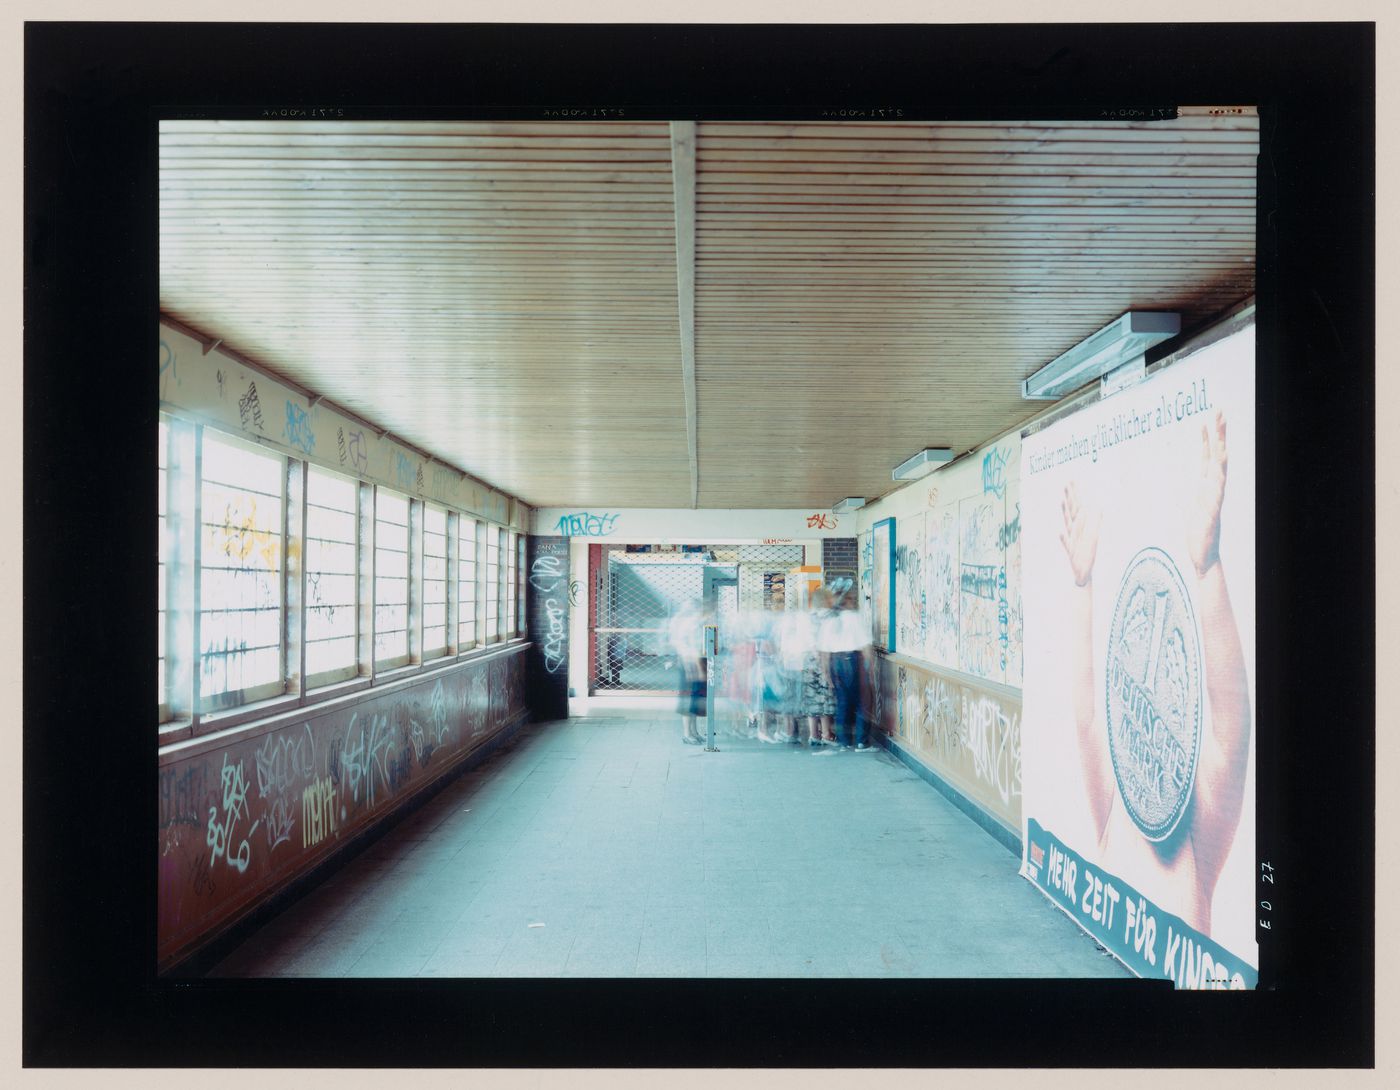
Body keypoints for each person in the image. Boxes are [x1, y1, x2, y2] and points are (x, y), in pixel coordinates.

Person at [1058, 411, 1250, 937]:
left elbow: (1232, 725)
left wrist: (1208, 569)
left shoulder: (1196, 836)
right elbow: (1085, 716)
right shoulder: (1117, 808)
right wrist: (1082, 588)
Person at [818, 586, 875, 753]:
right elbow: (866, 646)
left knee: (842, 703)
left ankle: (843, 742)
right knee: (862, 702)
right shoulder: (855, 618)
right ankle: (861, 742)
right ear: (848, 600)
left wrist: (827, 673)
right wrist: (871, 669)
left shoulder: (829, 620)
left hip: (835, 662)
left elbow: (823, 652)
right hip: (853, 661)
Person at [667, 600, 707, 745]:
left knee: (695, 699)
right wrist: (694, 668)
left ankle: (694, 732)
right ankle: (687, 734)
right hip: (689, 664)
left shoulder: (695, 624)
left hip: (696, 663)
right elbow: (689, 648)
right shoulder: (687, 625)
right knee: (688, 699)